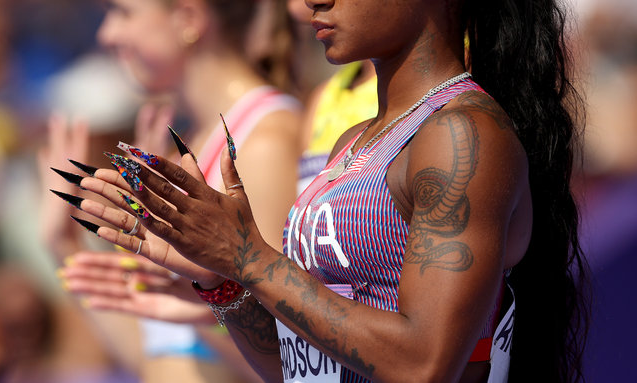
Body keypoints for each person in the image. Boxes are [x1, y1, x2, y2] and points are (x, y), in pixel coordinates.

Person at [59, 0, 589, 382]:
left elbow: (424, 364)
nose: (311, 1)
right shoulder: (349, 142)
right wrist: (222, 282)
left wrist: (247, 258)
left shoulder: (461, 135)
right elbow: (293, 366)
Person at [42, 0, 301, 382]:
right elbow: (157, 361)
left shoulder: (265, 141)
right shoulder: (196, 144)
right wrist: (63, 244)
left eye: (122, 13)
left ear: (189, 18)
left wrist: (210, 297)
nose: (106, 34)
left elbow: (288, 362)